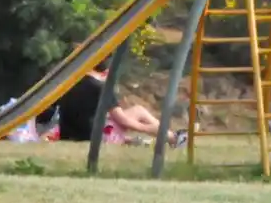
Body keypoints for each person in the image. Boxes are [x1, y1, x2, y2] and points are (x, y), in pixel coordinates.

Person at [56, 63, 187, 147]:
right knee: (138, 113)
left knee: (138, 110)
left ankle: (172, 137)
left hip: (68, 134)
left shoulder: (70, 83)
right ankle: (172, 138)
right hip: (92, 137)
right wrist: (150, 129)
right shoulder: (101, 88)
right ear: (106, 72)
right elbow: (123, 121)